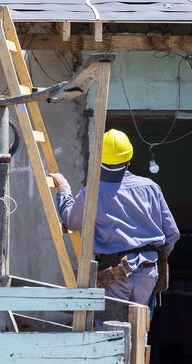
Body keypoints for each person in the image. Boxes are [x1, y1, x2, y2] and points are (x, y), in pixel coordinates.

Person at [51, 129, 180, 308]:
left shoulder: (93, 193)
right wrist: (158, 255)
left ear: (99, 159)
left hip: (115, 273)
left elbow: (71, 222)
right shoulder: (151, 188)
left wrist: (64, 189)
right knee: (139, 327)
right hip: (148, 271)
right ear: (129, 160)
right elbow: (172, 233)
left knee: (111, 330)